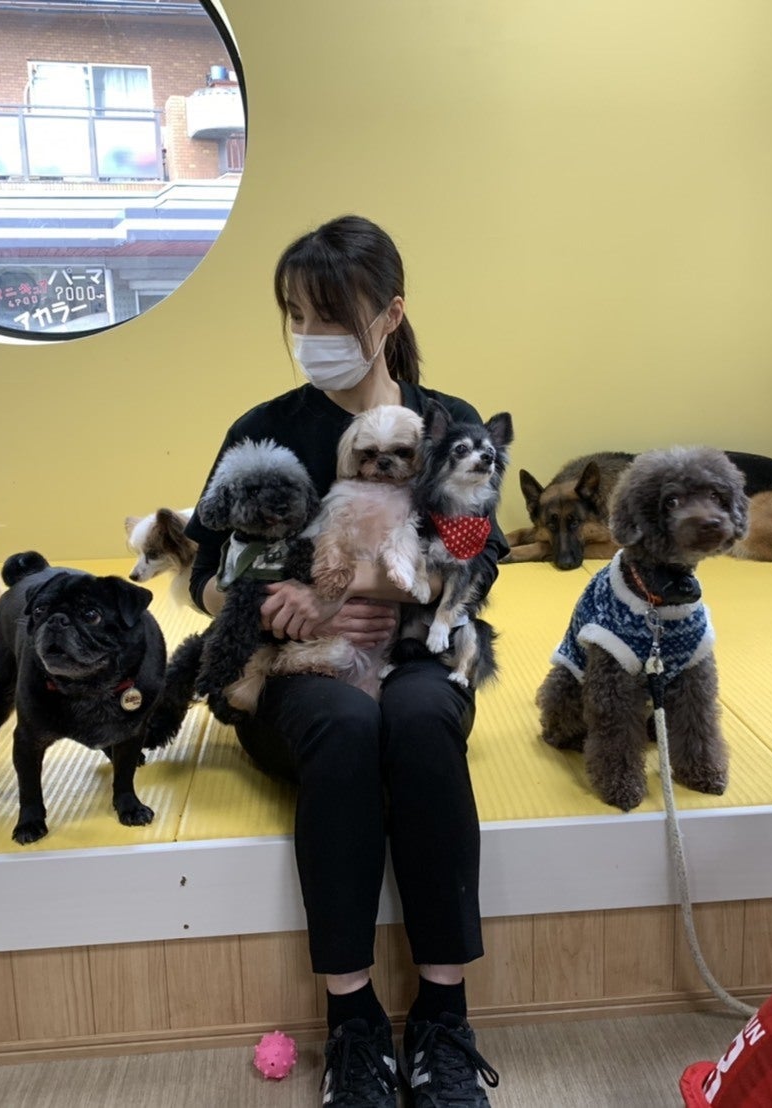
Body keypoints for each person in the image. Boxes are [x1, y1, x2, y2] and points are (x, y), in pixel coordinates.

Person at [185, 215, 505, 1108]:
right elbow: (204, 573)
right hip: (297, 667)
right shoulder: (266, 430)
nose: (309, 335)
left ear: (391, 313)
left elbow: (475, 560)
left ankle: (443, 1016)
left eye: (329, 317)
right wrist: (267, 604)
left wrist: (363, 585)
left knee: (422, 718)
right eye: (296, 315)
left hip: (414, 651)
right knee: (348, 725)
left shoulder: (450, 426)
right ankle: (354, 1022)